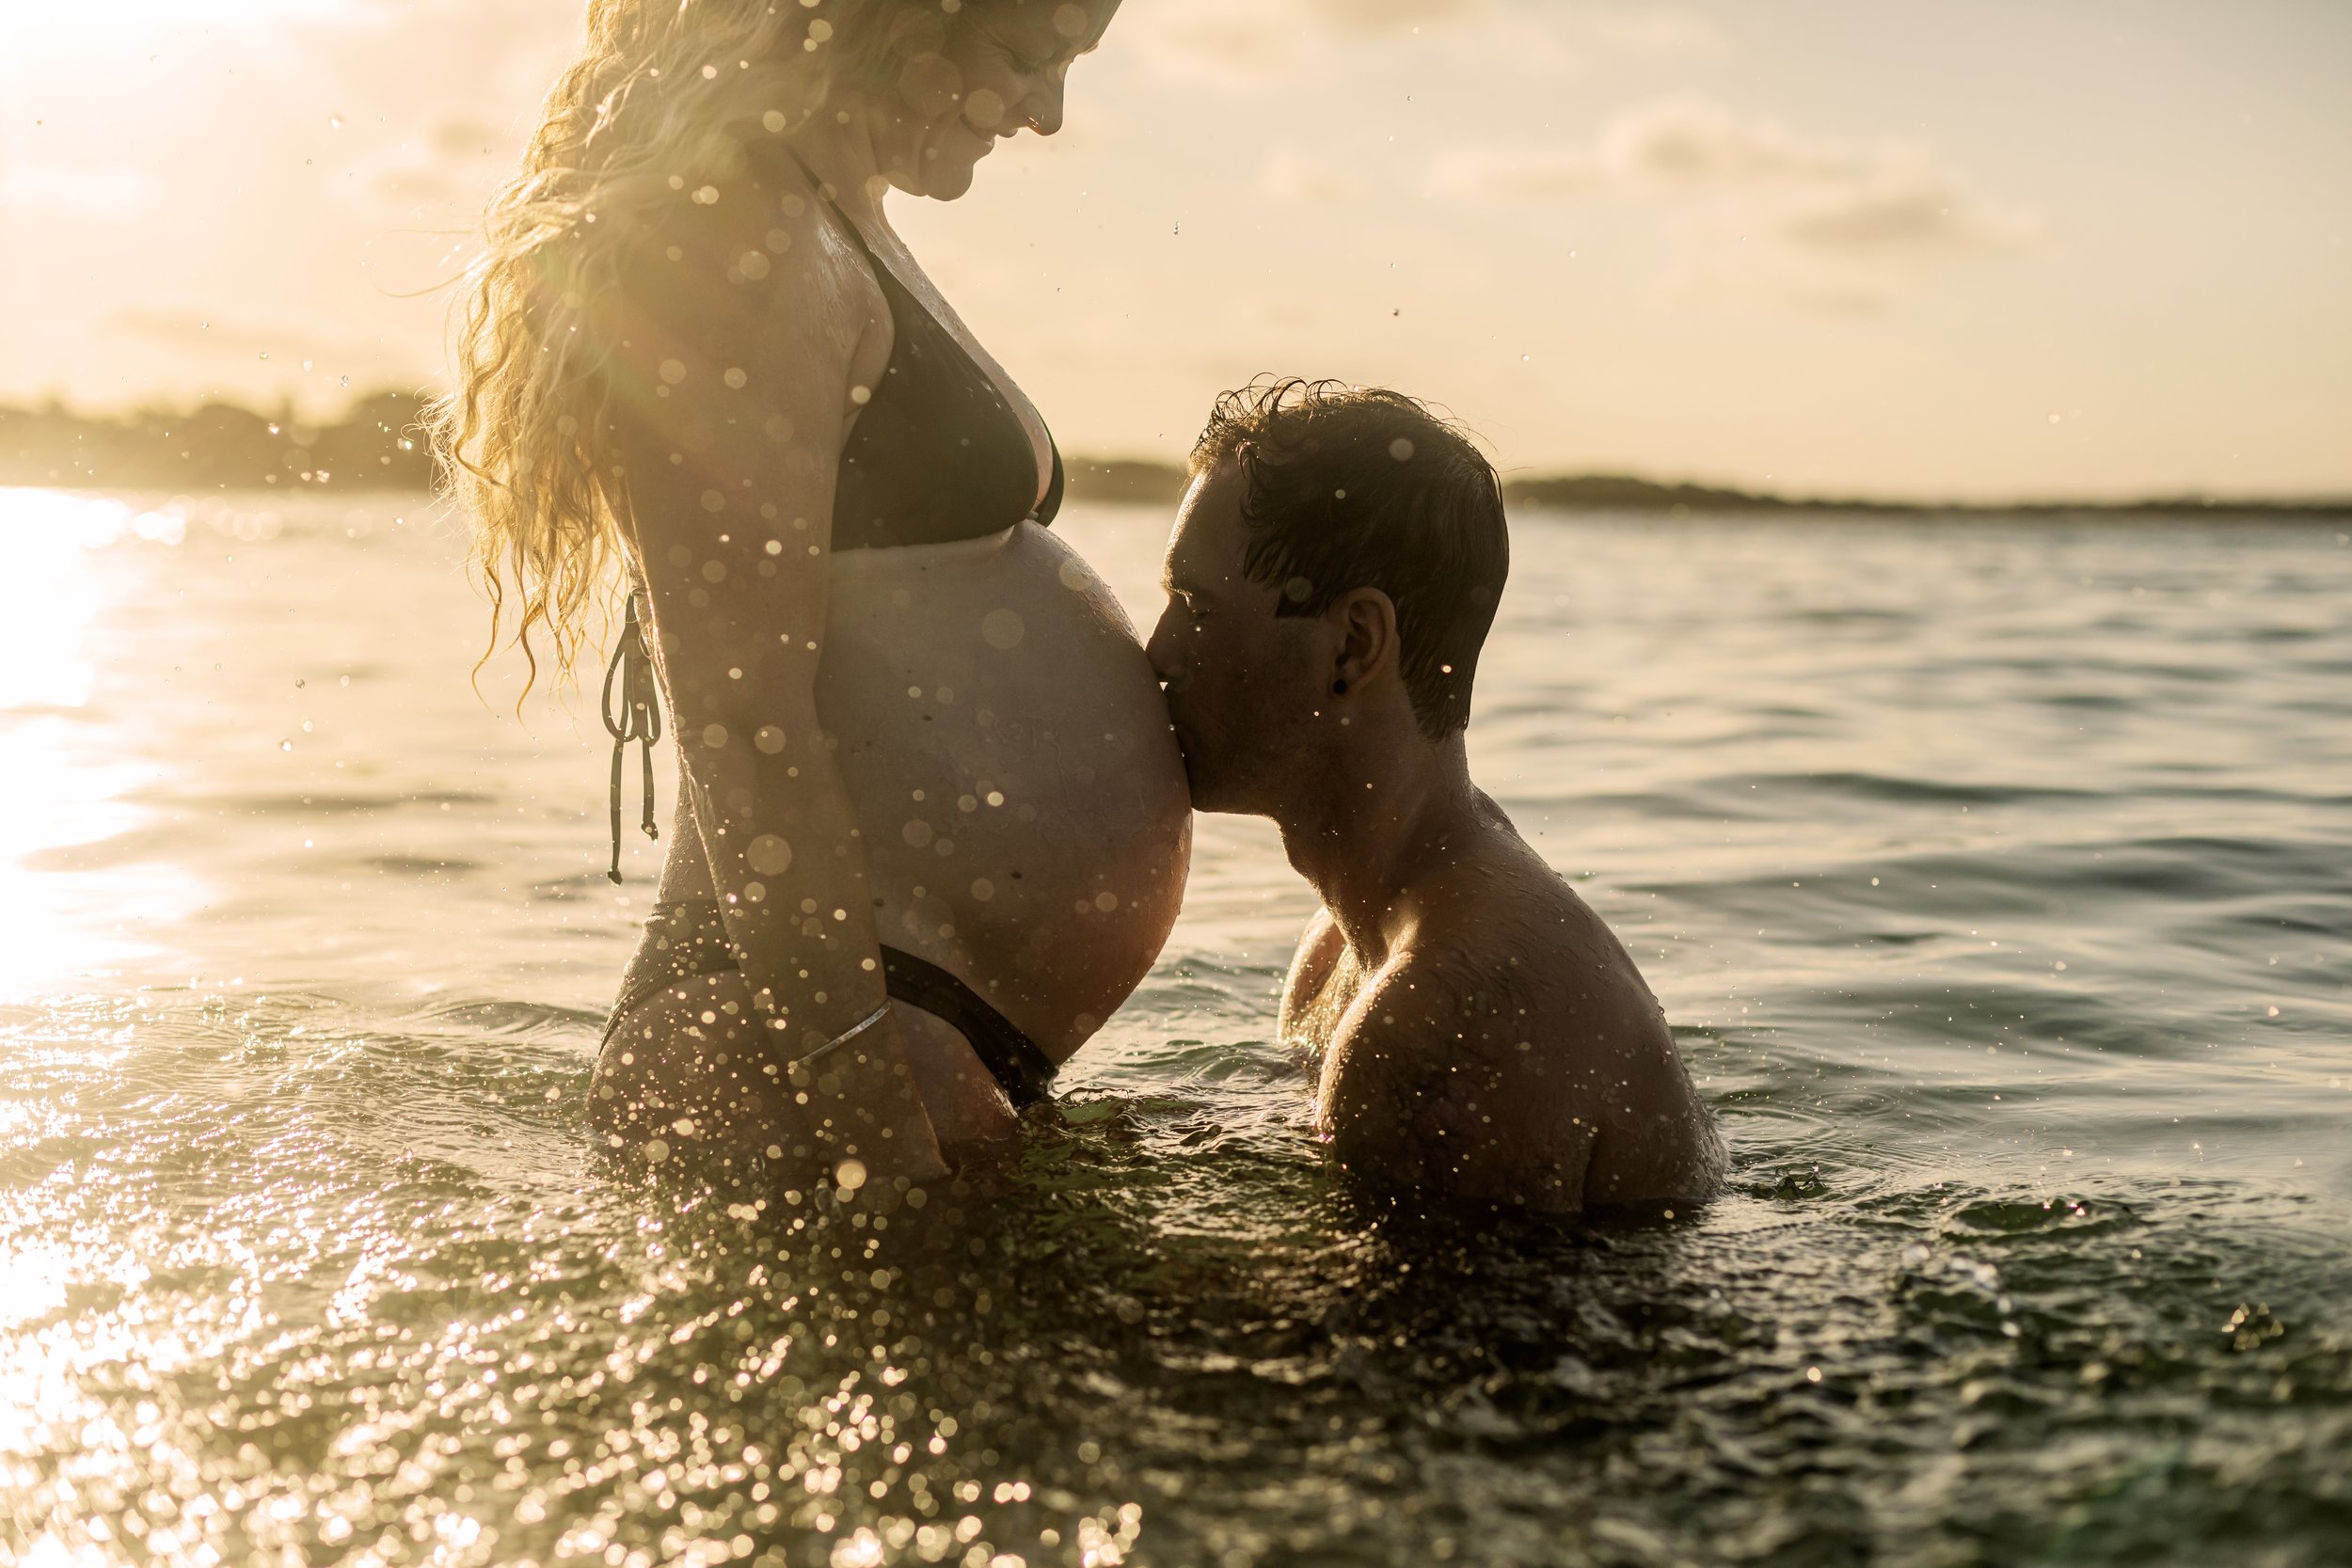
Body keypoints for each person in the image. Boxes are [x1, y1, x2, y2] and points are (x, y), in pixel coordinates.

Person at [435, 0, 1187, 1185]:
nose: (1044, 113)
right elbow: (743, 718)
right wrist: (864, 1103)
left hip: (897, 1017)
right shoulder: (737, 235)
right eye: (1024, 57)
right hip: (803, 1025)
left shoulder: (843, 221)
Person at [1145, 380, 1725, 1214]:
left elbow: (1413, 1346)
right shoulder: (1341, 947)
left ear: (1353, 644)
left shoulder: (1436, 1023)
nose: (1156, 650)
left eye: (1195, 606)